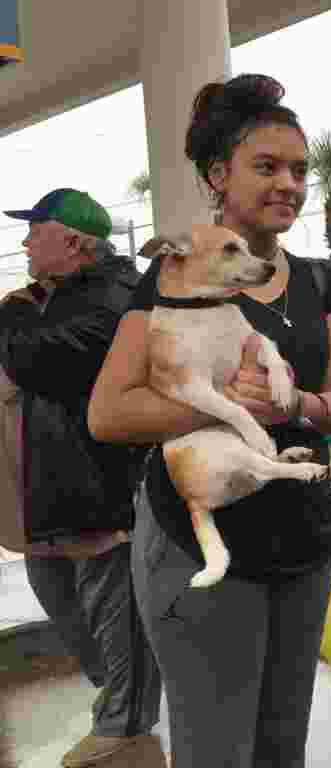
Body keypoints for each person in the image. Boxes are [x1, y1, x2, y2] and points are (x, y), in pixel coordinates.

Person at [87, 74, 331, 768]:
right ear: (218, 176)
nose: (289, 184)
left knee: (281, 749)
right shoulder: (173, 278)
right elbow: (109, 411)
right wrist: (225, 406)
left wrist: (290, 405)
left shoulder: (323, 281)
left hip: (303, 542)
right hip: (195, 540)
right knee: (217, 753)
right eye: (266, 167)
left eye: (299, 170)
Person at [1, 188, 161, 768]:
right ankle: (121, 696)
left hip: (102, 490)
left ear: (71, 240)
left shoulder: (118, 294)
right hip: (57, 494)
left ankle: (127, 720)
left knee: (113, 610)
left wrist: (14, 313)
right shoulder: (65, 295)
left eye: (33, 228)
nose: (23, 240)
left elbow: (42, 360)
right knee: (62, 596)